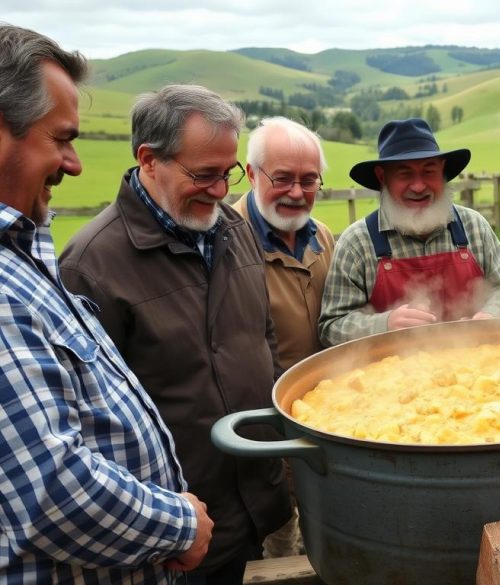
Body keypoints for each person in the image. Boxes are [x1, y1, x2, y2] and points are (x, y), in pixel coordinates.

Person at [0, 24, 212, 583]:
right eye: (62, 138)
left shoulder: (21, 256)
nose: (74, 163)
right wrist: (179, 525)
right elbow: (51, 489)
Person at [59, 84, 290, 583]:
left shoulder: (234, 228)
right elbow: (85, 425)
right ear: (149, 160)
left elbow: (261, 337)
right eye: (204, 174)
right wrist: (162, 525)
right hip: (175, 531)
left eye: (227, 173)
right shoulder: (91, 266)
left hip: (253, 503)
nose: (221, 190)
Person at [319, 117, 500, 344]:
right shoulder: (356, 242)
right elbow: (331, 326)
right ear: (382, 177)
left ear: (442, 171)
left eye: (428, 172)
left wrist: (488, 316)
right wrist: (384, 324)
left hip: (477, 367)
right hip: (391, 374)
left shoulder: (474, 226)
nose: (418, 186)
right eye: (405, 174)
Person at [233, 116, 333, 559]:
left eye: (308, 180)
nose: (297, 192)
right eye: (283, 178)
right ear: (252, 174)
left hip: (326, 423)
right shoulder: (226, 244)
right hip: (263, 432)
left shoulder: (324, 237)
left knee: (328, 534)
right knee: (279, 541)